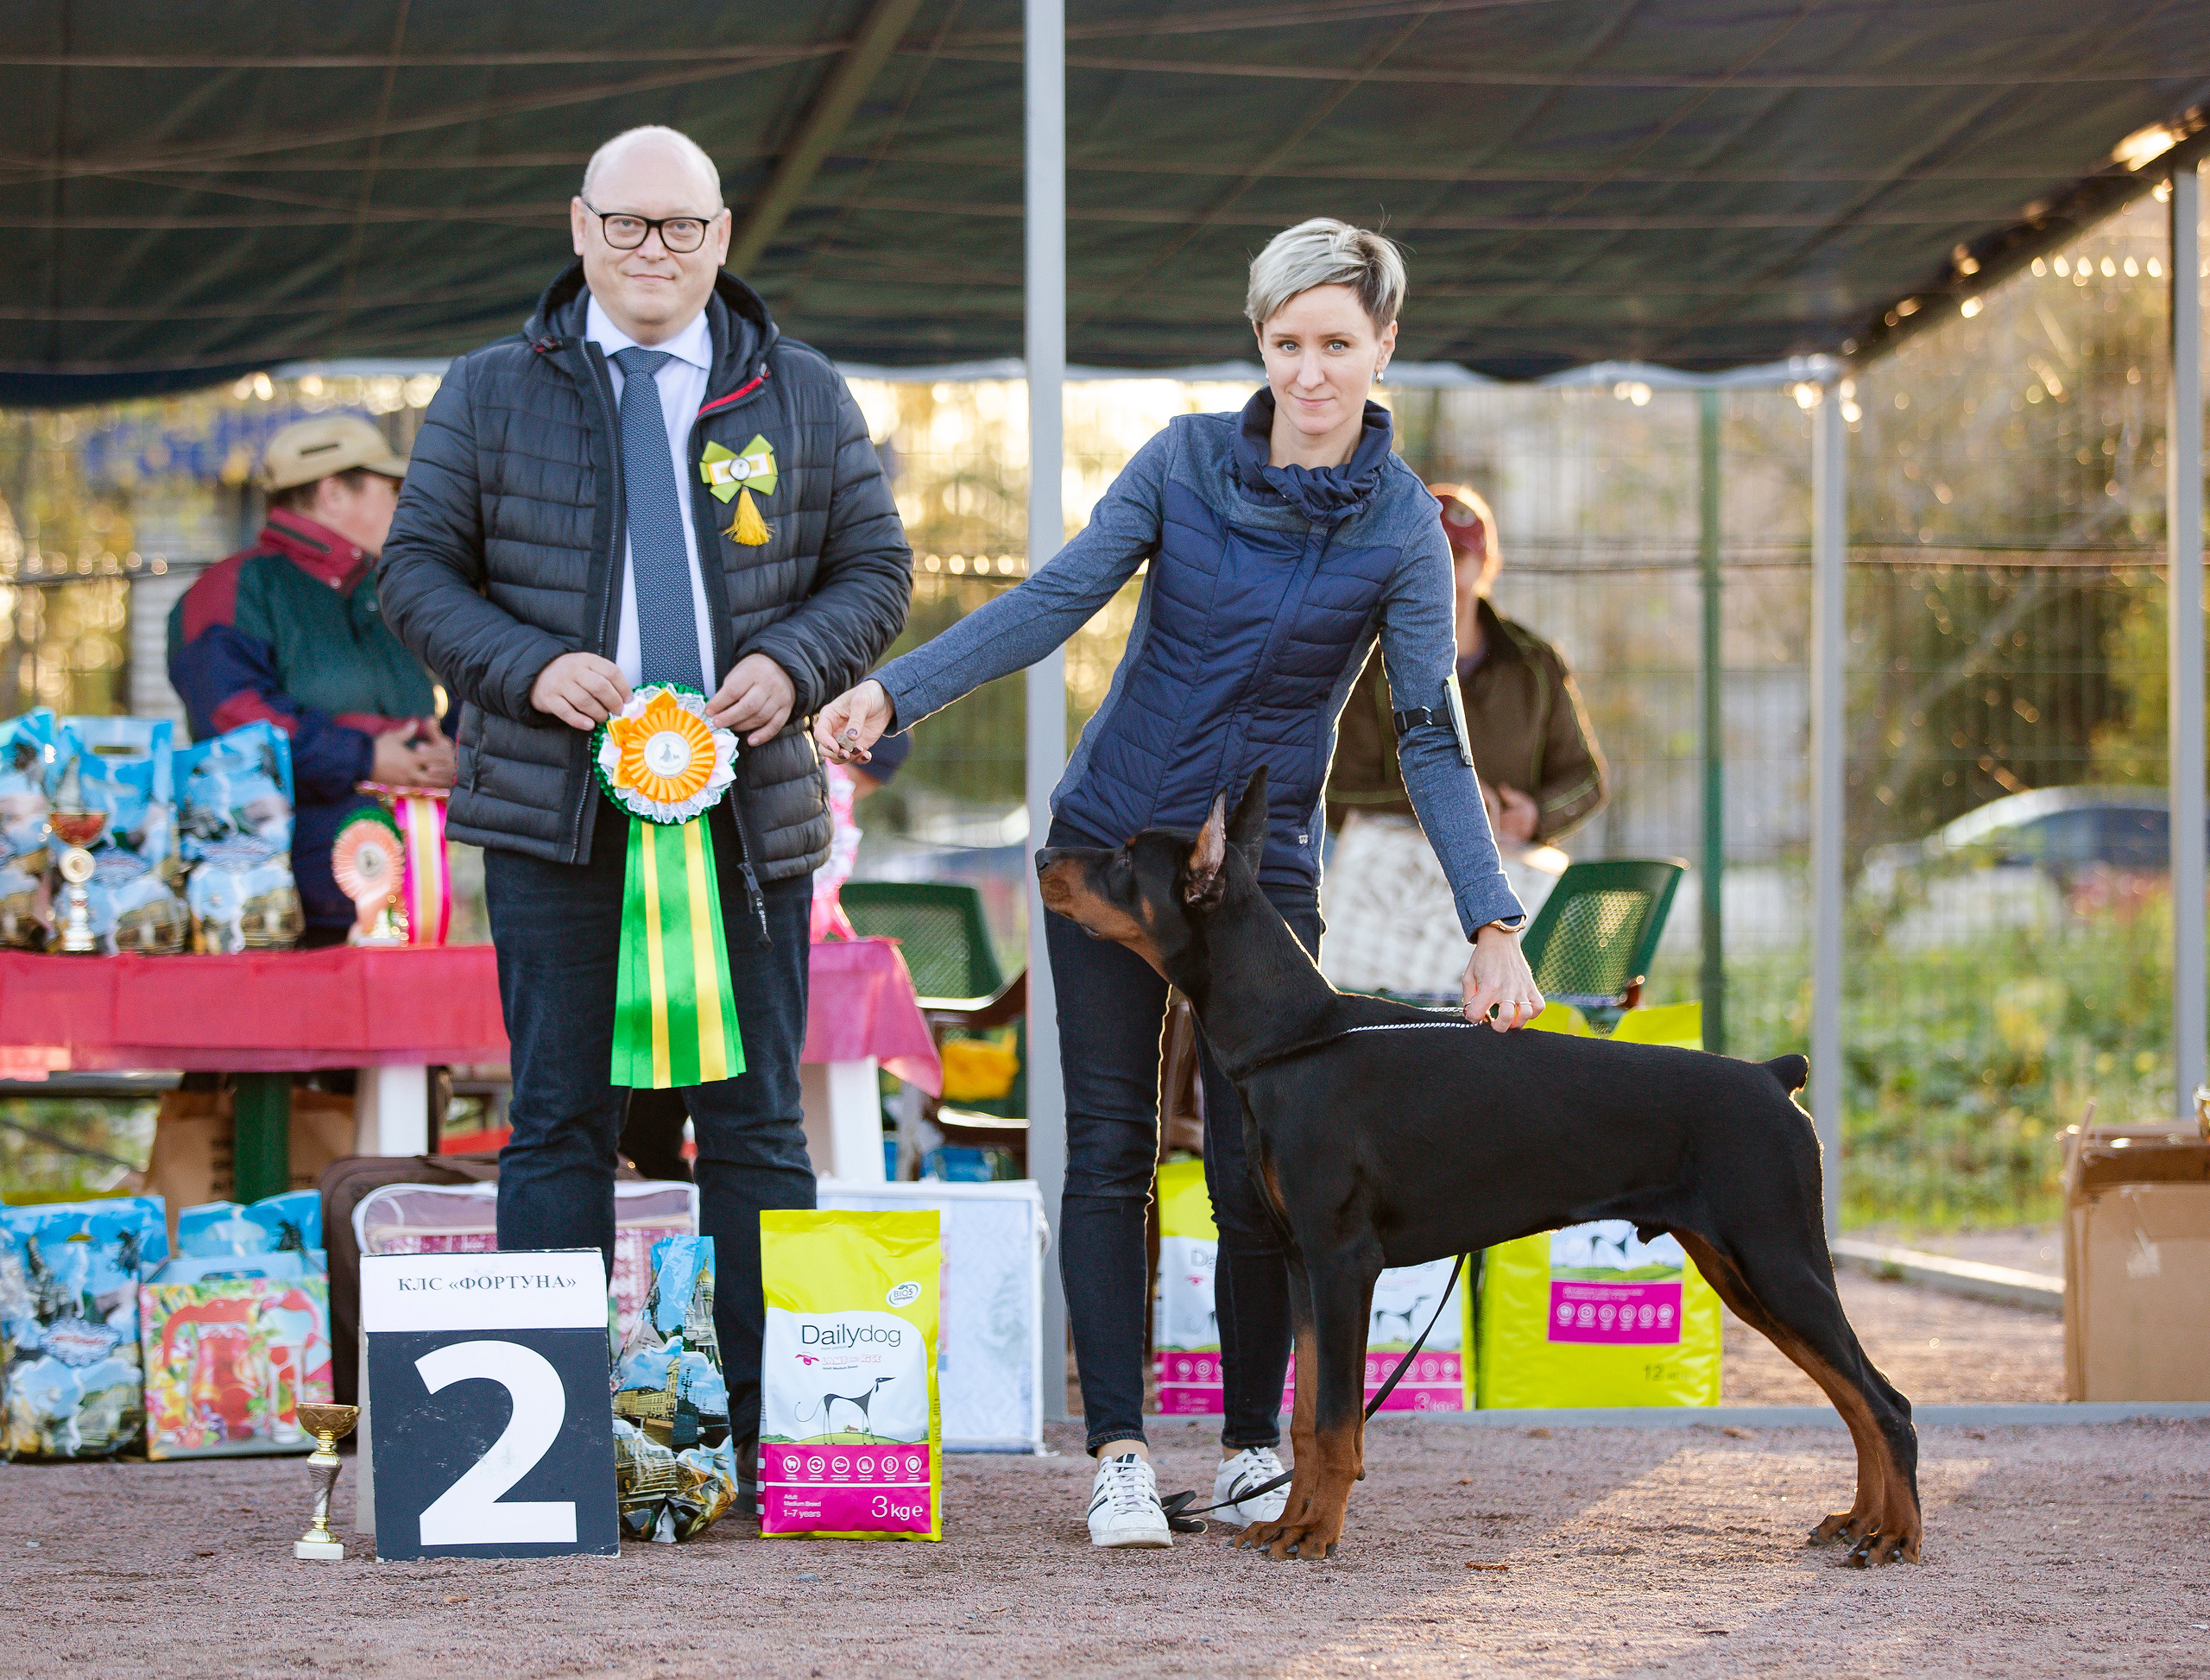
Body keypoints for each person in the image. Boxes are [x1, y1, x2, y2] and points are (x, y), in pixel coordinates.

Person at [814, 218, 1543, 1548]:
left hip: (1263, 887)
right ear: (1258, 344)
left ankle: (1257, 1448)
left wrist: (1492, 919)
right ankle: (1120, 1455)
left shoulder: (1403, 528)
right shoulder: (1185, 463)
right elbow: (1055, 600)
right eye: (1286, 343)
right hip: (1109, 848)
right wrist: (890, 688)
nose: (1311, 371)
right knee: (1110, 1151)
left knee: (1264, 1166)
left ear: (1384, 346)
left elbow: (1432, 731)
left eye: (1338, 343)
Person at [376, 125, 912, 1495]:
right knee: (555, 1118)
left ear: (724, 236)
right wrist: (526, 667)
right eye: (627, 226)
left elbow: (876, 572)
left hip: (751, 818)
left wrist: (792, 667)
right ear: (578, 228)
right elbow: (417, 575)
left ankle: (754, 1434)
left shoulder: (801, 389)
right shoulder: (489, 390)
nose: (652, 252)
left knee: (756, 1131)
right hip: (555, 811)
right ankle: (539, 1451)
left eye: (679, 228)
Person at [167, 414, 456, 944]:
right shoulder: (234, 586)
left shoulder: (395, 587)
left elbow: (460, 689)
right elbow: (234, 720)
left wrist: (455, 752)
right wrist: (365, 757)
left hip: (424, 883)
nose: (403, 501)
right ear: (332, 493)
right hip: (282, 903)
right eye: (390, 488)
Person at [1327, 483, 1605, 849]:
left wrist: (1536, 813)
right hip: (1398, 886)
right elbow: (1338, 797)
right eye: (1426, 557)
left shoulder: (1535, 665)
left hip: (1512, 874)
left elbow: (1586, 780)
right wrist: (1447, 803)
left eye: (1456, 557)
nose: (1441, 574)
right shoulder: (1367, 668)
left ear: (1486, 566)